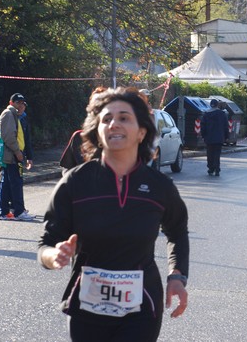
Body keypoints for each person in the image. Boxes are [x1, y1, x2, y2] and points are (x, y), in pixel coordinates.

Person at [38, 87, 189, 341]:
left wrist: (177, 275)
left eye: (124, 118)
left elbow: (177, 231)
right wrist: (55, 256)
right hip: (87, 308)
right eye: (106, 119)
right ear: (97, 131)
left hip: (142, 305)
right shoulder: (75, 182)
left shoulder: (159, 186)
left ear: (142, 132)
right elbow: (46, 244)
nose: (114, 124)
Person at [0, 93, 35, 221]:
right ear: (11, 102)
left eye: (23, 103)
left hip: (11, 155)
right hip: (11, 155)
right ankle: (18, 212)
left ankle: (4, 212)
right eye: (18, 103)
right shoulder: (9, 113)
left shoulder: (14, 115)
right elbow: (8, 136)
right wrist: (17, 152)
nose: (21, 105)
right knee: (16, 183)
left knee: (6, 183)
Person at [201, 98, 229, 176]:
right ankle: (217, 169)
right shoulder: (222, 114)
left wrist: (203, 135)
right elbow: (225, 126)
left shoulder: (206, 114)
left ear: (210, 105)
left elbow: (203, 126)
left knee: (210, 153)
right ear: (217, 105)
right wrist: (226, 136)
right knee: (217, 154)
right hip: (219, 138)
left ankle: (210, 168)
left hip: (209, 138)